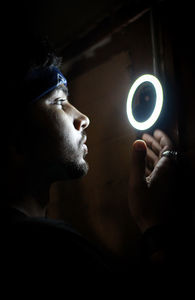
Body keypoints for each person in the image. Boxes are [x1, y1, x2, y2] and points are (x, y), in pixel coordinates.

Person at [1, 35, 178, 272]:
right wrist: (155, 225)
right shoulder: (52, 249)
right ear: (16, 140)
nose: (83, 118)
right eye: (59, 101)